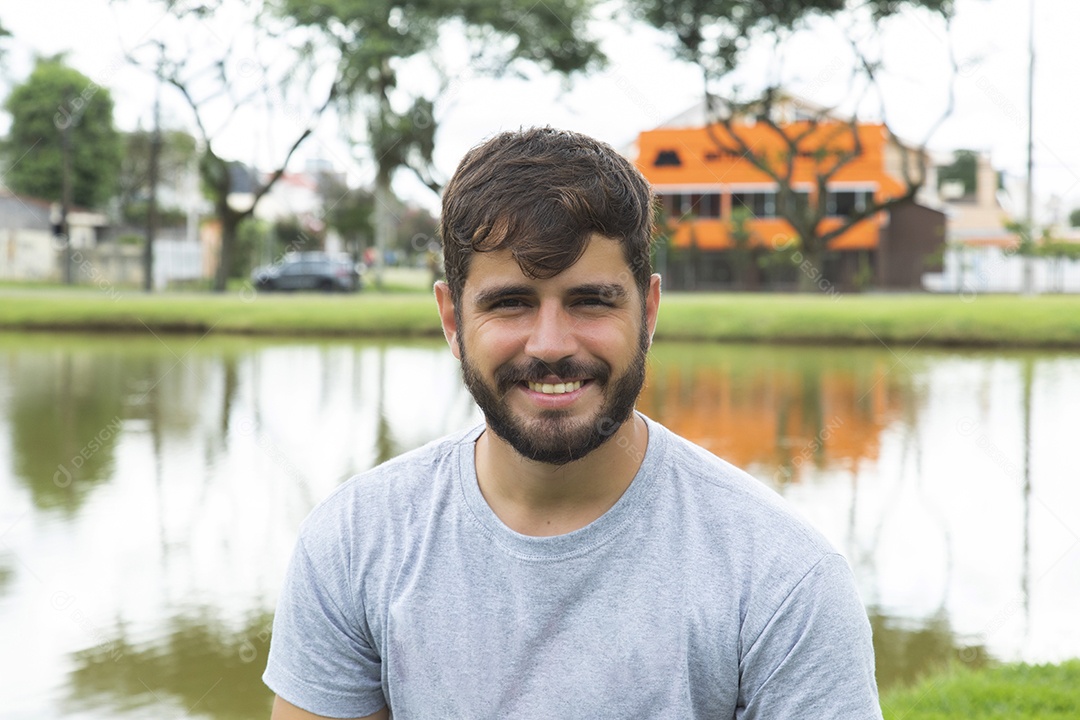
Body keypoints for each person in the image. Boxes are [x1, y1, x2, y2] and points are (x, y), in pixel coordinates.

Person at [263, 127, 883, 719]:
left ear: (649, 312)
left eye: (590, 300)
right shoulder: (351, 544)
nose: (552, 345)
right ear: (453, 321)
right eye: (511, 303)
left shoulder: (784, 577)